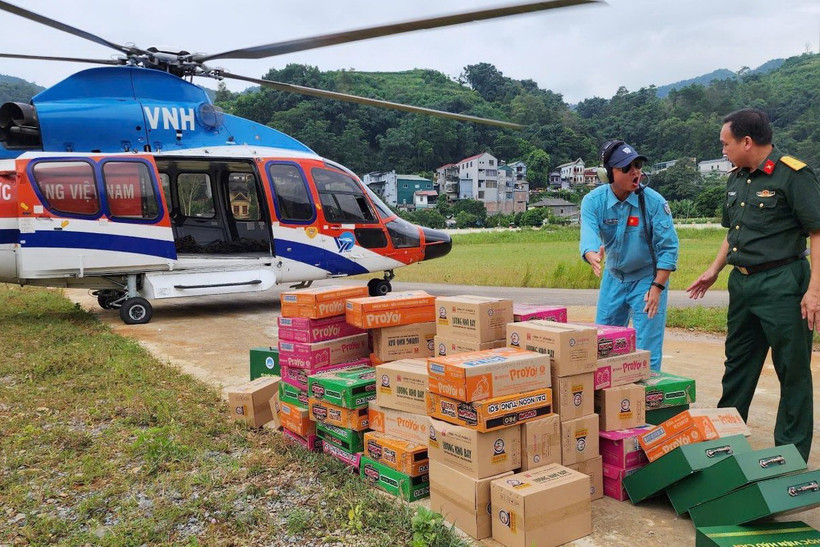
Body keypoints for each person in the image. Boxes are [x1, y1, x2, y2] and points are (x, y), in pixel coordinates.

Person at [687, 108, 820, 461]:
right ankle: (724, 450)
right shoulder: (737, 177)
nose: (723, 150)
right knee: (738, 367)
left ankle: (789, 460)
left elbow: (817, 231)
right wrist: (714, 269)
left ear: (747, 141)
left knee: (792, 372)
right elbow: (735, 233)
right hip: (742, 284)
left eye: (725, 143)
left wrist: (815, 290)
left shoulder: (794, 175)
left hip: (783, 283)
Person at [580, 140, 679, 372]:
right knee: (603, 344)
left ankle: (648, 401)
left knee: (647, 350)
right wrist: (590, 252)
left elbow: (669, 248)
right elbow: (589, 231)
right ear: (608, 174)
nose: (635, 172)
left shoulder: (654, 202)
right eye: (627, 168)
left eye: (637, 165)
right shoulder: (594, 202)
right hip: (613, 278)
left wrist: (657, 286)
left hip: (647, 280)